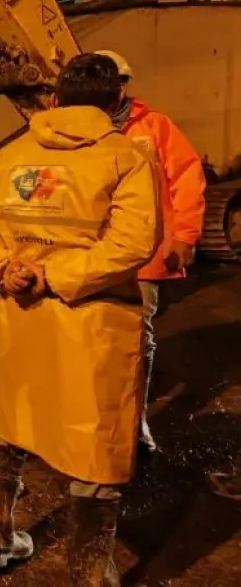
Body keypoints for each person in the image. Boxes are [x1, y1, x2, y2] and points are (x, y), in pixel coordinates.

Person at [0, 53, 161, 584]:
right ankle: (91, 571)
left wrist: (5, 268)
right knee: (97, 440)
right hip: (93, 324)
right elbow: (133, 244)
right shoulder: (127, 158)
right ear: (116, 101)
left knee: (14, 424)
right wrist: (59, 275)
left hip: (23, 320)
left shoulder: (7, 157)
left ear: (54, 98)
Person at [95, 49, 206, 453]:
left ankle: (133, 424)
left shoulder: (155, 127)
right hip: (90, 257)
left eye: (119, 81)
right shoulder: (77, 127)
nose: (114, 89)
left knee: (137, 341)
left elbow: (186, 177)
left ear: (125, 85)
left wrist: (185, 237)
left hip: (141, 258)